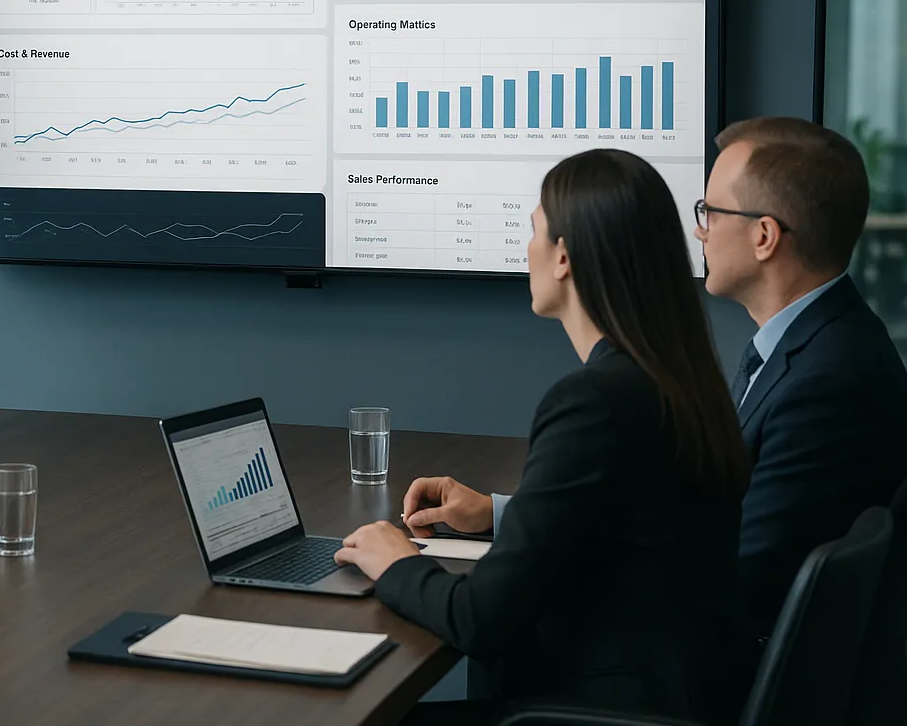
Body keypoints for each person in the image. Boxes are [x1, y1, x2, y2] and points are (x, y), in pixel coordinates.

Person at [333, 150, 753, 724]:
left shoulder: (594, 401)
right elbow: (621, 535)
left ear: (563, 256)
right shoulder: (681, 383)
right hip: (670, 698)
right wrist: (498, 515)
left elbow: (482, 619)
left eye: (532, 230)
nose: (525, 247)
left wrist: (396, 562)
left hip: (589, 711)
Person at [696, 116, 907, 635]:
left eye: (711, 212)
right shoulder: (817, 343)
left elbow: (742, 576)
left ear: (764, 236)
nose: (700, 230)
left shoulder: (829, 382)